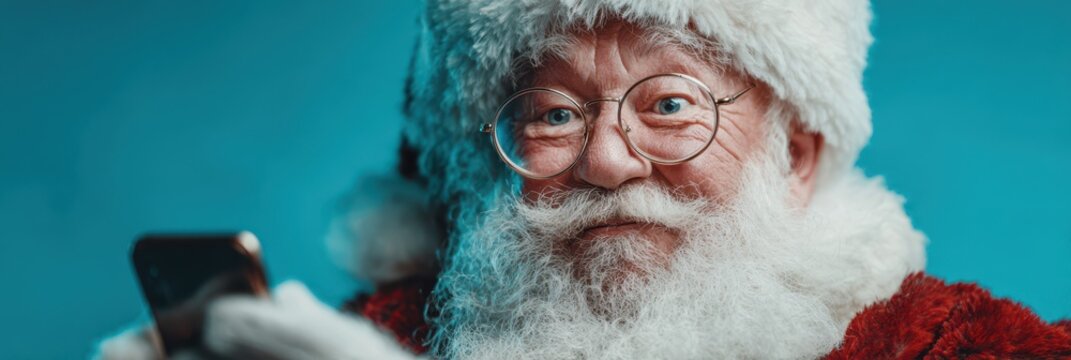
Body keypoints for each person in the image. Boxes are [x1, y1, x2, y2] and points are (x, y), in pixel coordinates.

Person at [96, 0, 1071, 358]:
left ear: (797, 154)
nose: (604, 162)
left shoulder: (954, 347)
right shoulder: (381, 337)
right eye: (553, 115)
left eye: (670, 105)